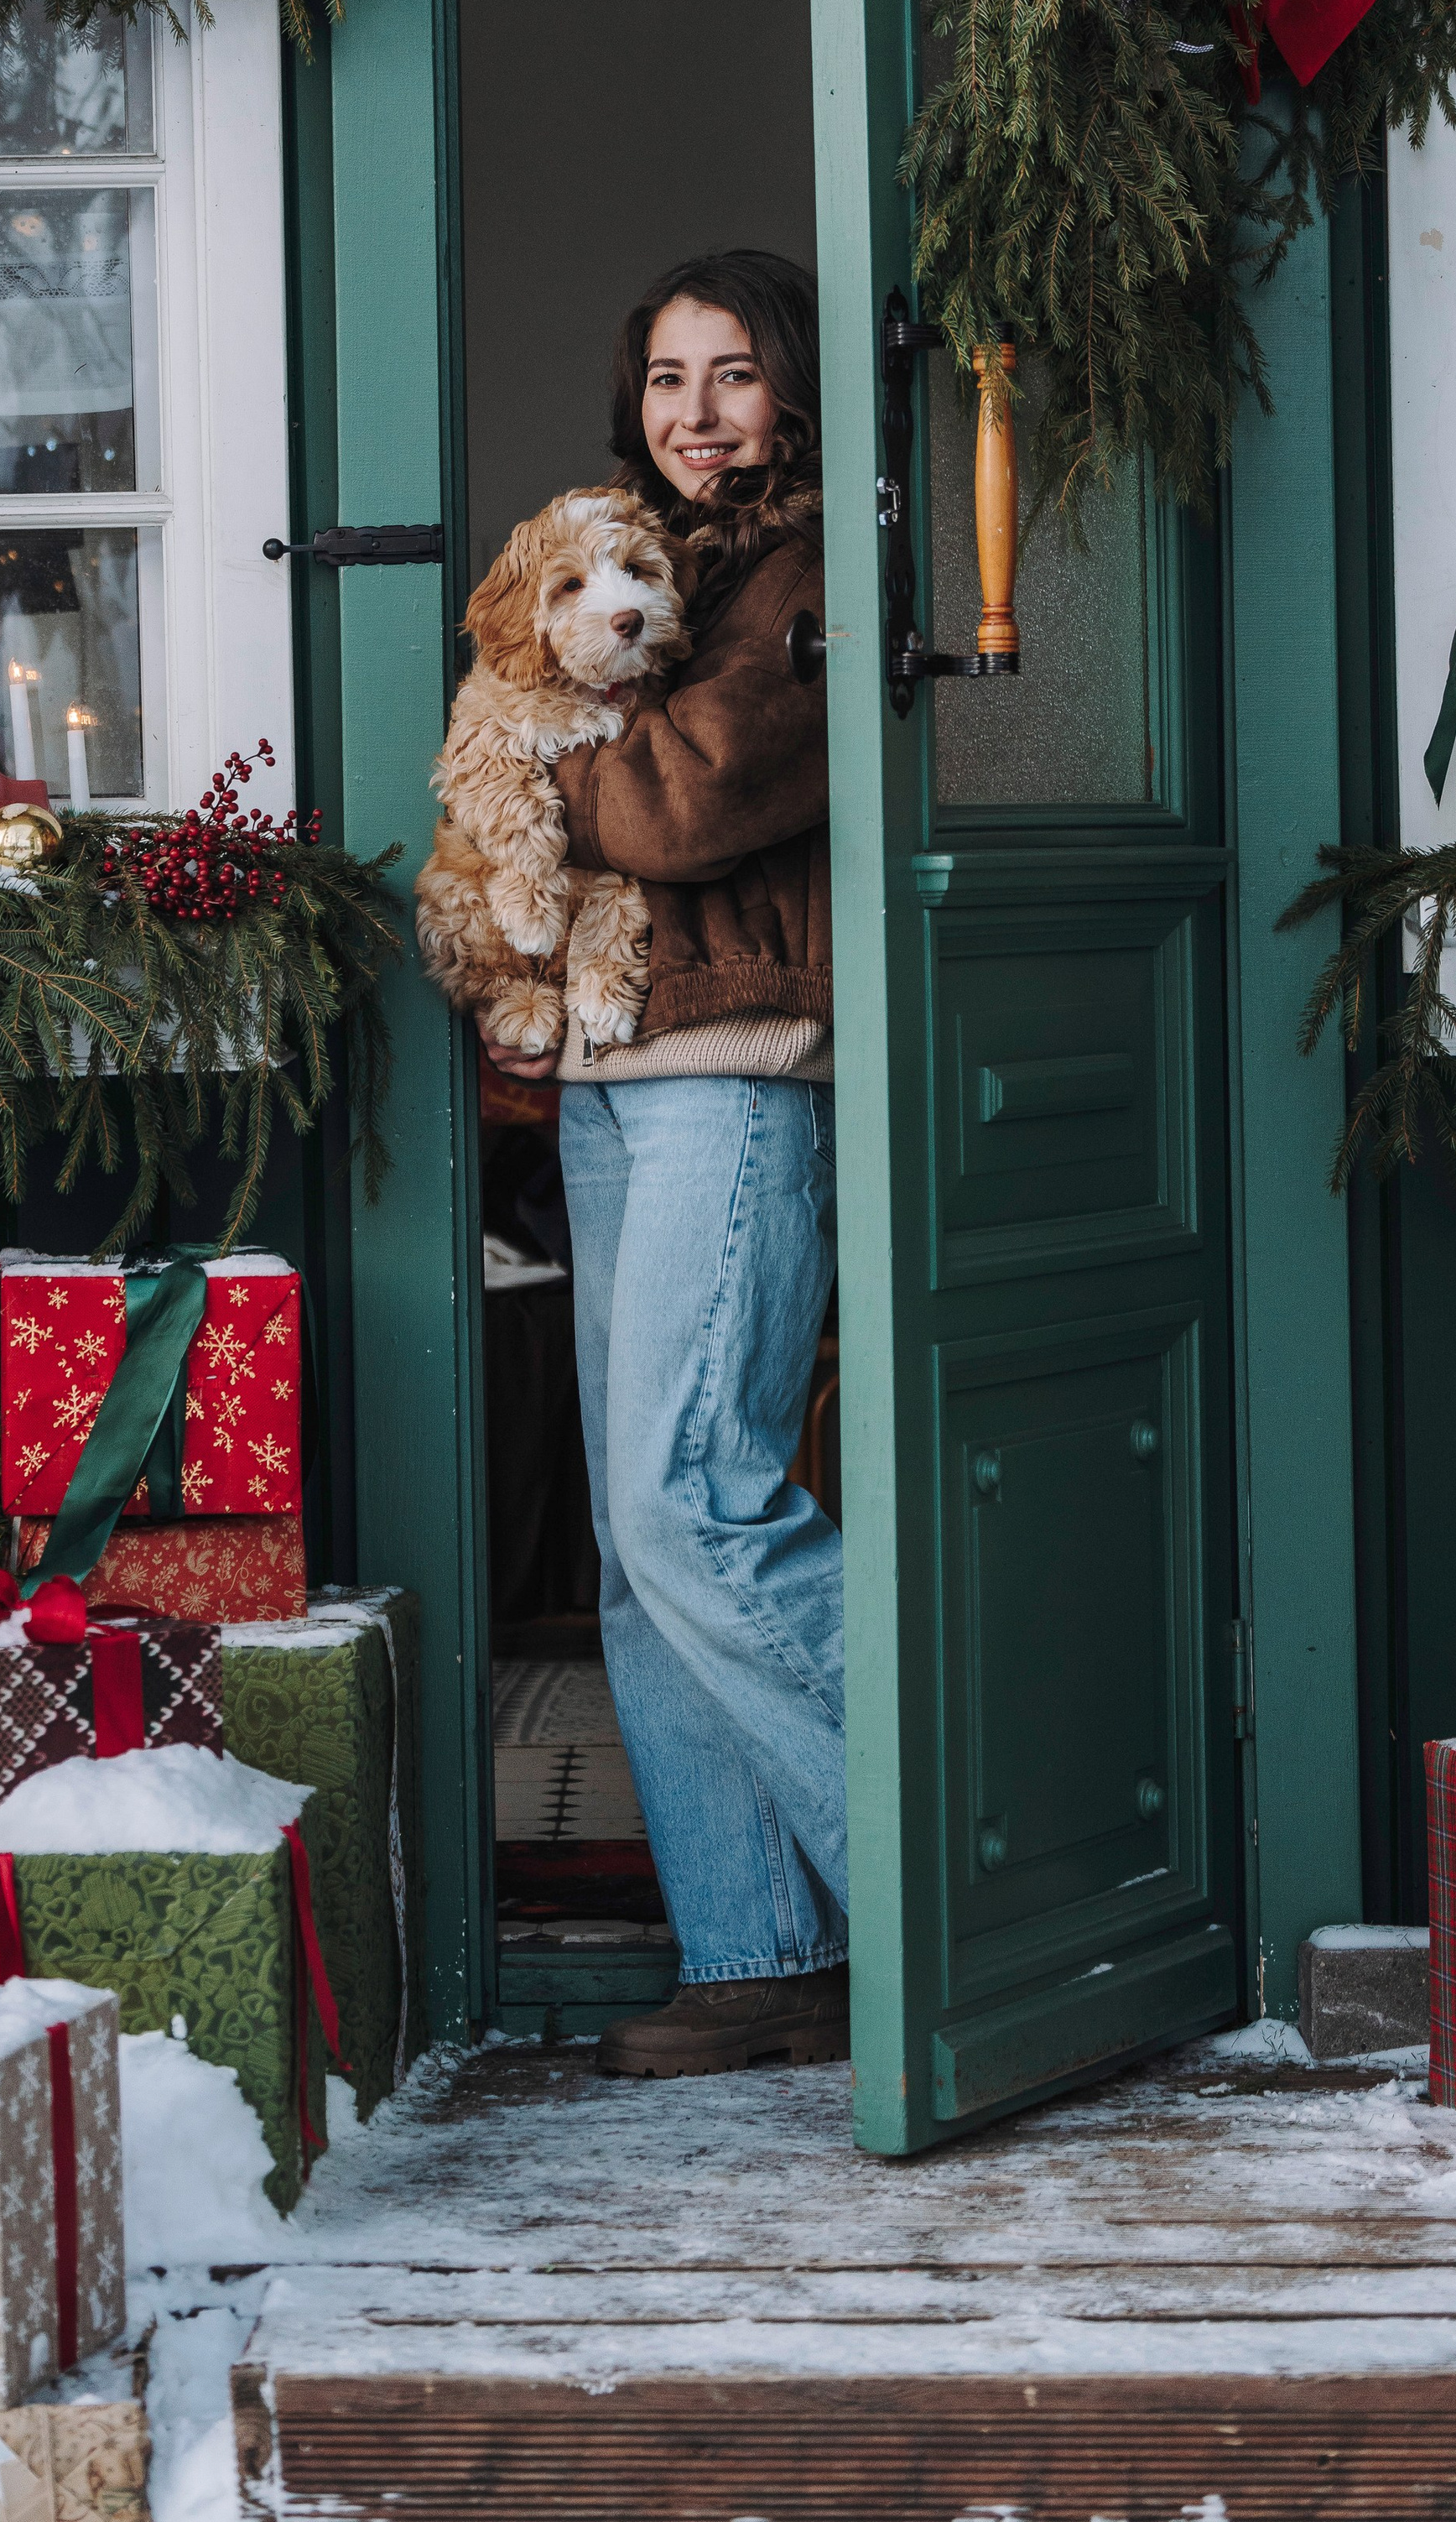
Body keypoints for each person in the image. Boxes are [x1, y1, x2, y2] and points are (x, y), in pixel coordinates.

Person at [478, 247, 844, 2078]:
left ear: (793, 389)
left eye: (732, 375)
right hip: (619, 1073)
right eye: (664, 379)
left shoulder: (804, 571)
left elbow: (668, 799)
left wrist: (538, 751)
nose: (695, 411)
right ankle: (758, 1946)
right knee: (638, 1548)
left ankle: (945, 1865)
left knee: (700, 1495)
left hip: (736, 1073)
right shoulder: (649, 557)